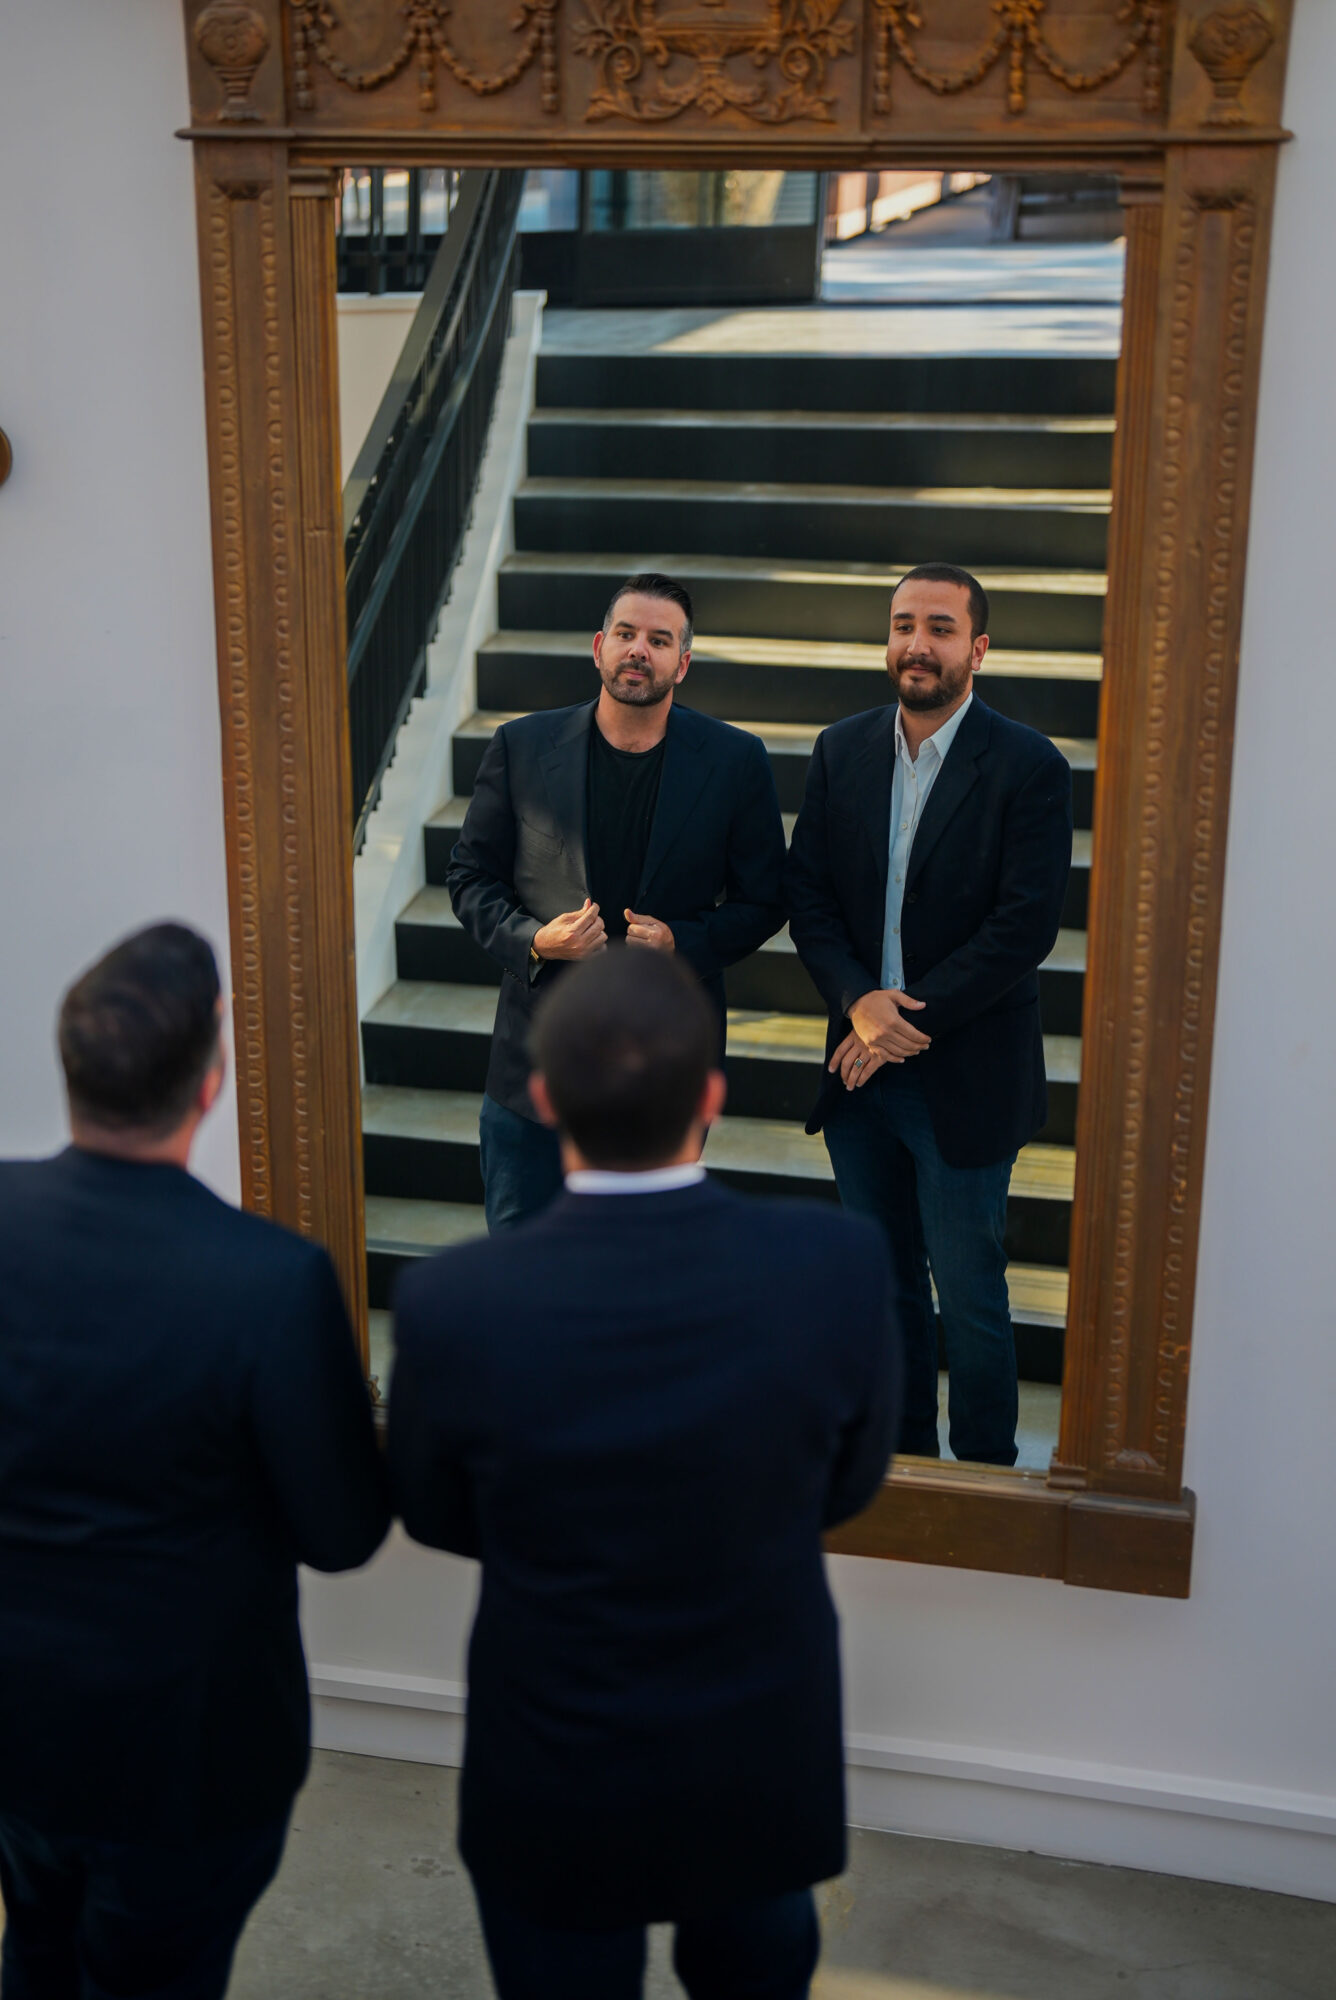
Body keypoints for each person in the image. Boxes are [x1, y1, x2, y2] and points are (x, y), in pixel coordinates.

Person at [389, 948, 900, 2000]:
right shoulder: (834, 1269)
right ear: (711, 1095)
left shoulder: (453, 1299)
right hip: (756, 1748)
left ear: (540, 1096)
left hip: (550, 1755)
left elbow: (436, 1513)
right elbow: (846, 1484)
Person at [0, 923, 389, 2000]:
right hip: (186, 1750)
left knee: (34, 1950)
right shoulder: (267, 1280)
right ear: (211, 1078)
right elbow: (344, 1531)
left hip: (16, 1720)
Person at [785, 563, 1072, 1467]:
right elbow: (812, 899)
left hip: (964, 1078)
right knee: (886, 1286)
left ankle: (985, 1470)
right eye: (904, 623)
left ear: (977, 649)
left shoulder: (1029, 765)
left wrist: (901, 1022)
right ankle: (903, 1465)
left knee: (971, 1292)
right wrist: (855, 1004)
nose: (918, 643)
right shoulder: (842, 748)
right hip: (859, 1077)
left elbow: (1023, 927)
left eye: (940, 627)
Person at [446, 570, 786, 1231]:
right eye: (626, 634)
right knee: (528, 1271)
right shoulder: (521, 746)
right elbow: (469, 877)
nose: (639, 650)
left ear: (682, 664)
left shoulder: (736, 761)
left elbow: (766, 900)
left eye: (659, 640)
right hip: (534, 1066)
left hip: (665, 1069)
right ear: (598, 646)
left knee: (644, 1277)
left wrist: (682, 944)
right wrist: (536, 941)